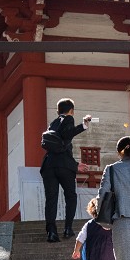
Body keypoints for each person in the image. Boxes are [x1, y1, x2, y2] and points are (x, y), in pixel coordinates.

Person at [40, 97, 92, 243]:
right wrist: (84, 125)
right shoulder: (68, 119)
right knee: (70, 196)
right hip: (64, 167)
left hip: (49, 166)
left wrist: (75, 165)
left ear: (57, 111)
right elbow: (67, 135)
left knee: (51, 199)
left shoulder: (53, 124)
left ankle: (51, 232)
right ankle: (68, 228)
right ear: (71, 111)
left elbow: (59, 144)